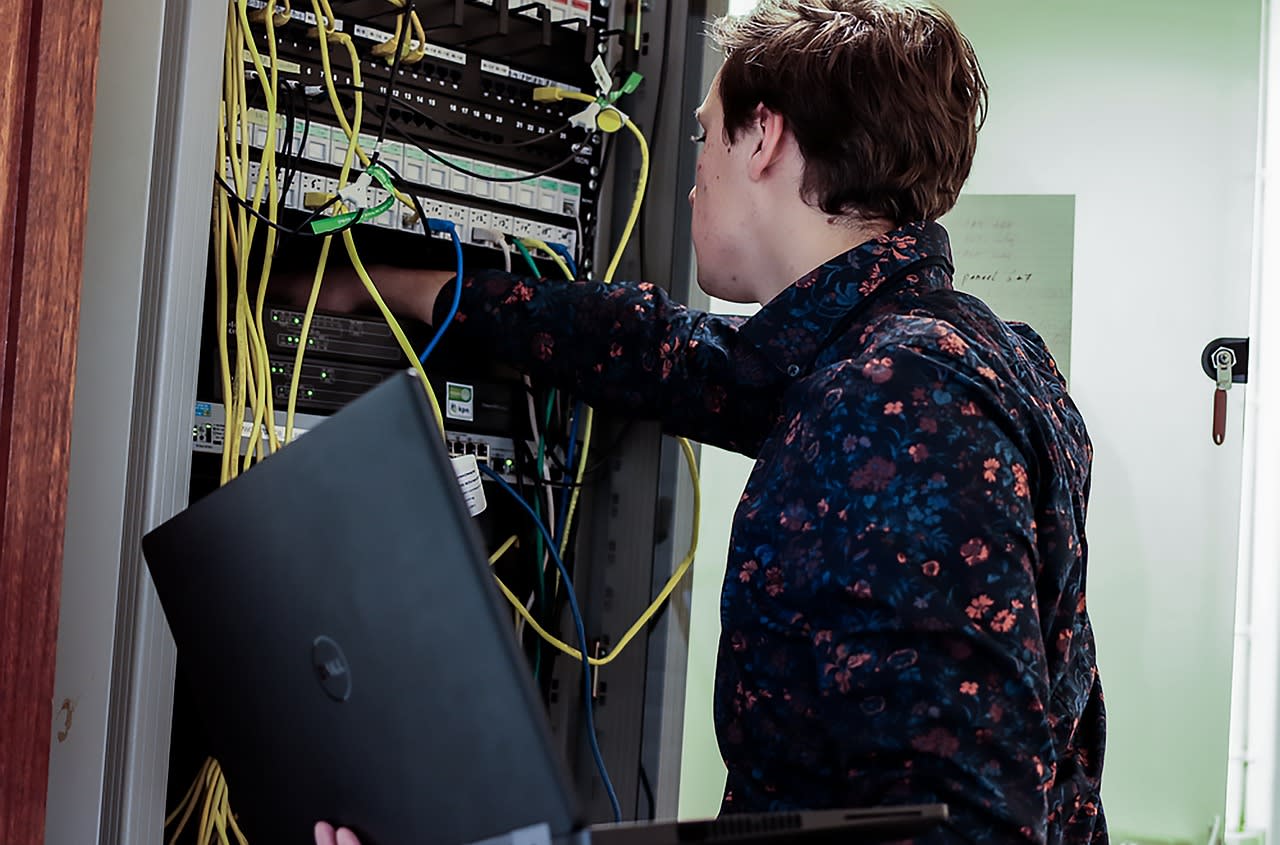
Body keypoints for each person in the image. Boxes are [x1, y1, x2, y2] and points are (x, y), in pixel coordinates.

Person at [308, 1, 1105, 842]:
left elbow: (954, 828)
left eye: (704, 135)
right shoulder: (931, 350)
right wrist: (390, 286)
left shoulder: (901, 398)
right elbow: (667, 351)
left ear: (762, 137)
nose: (693, 175)